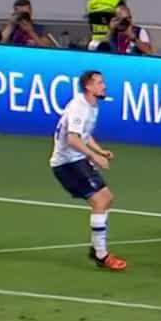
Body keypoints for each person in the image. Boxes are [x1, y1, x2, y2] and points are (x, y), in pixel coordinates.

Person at [49, 70, 127, 271]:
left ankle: (97, 248)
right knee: (100, 200)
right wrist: (95, 157)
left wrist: (99, 150)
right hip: (66, 163)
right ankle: (101, 254)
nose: (104, 86)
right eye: (100, 83)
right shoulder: (79, 107)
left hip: (77, 159)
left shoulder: (91, 105)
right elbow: (72, 138)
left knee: (106, 197)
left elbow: (84, 134)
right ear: (88, 87)